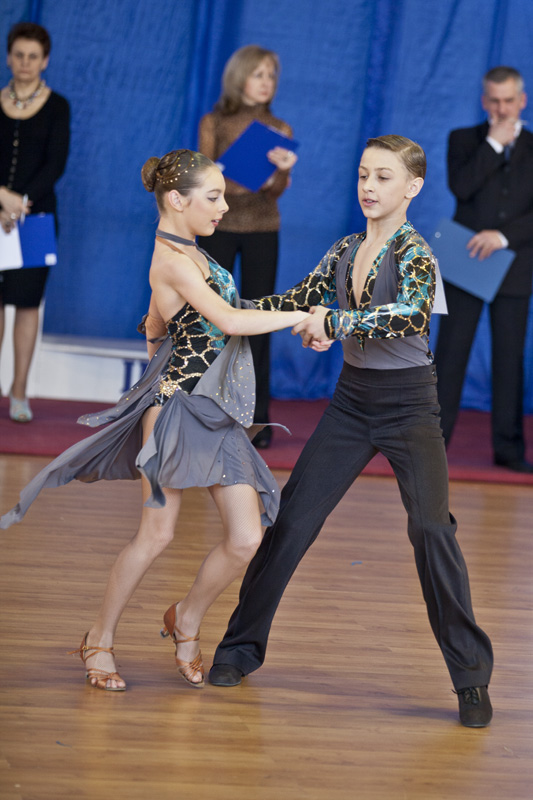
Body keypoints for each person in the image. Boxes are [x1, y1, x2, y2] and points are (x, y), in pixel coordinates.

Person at [208, 135, 494, 728]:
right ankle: (238, 649)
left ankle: (471, 678)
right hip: (351, 403)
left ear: (412, 187)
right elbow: (296, 299)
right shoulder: (344, 250)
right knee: (292, 522)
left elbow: (409, 315)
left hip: (410, 406)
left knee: (431, 530)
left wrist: (332, 323)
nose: (368, 186)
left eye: (383, 177)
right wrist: (220, 312)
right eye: (364, 174)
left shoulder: (417, 253)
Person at [0, 148, 310, 692]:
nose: (224, 206)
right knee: (156, 535)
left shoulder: (190, 252)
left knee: (246, 538)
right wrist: (305, 316)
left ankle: (186, 618)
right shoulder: (171, 259)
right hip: (178, 416)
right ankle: (98, 638)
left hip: (215, 413)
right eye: (213, 197)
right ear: (176, 200)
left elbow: (154, 325)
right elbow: (229, 318)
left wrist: (159, 344)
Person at [198, 45, 298, 449]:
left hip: (263, 229)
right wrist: (239, 181)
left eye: (271, 75)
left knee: (260, 321)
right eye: (258, 74)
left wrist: (281, 174)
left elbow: (275, 192)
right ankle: (204, 410)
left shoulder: (280, 128)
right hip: (218, 228)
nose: (266, 82)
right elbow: (204, 181)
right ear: (239, 77)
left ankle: (257, 419)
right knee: (211, 319)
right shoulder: (214, 122)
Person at [435, 66, 533, 473]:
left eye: (509, 100)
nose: (502, 108)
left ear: (522, 101)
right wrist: (493, 144)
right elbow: (461, 188)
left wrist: (503, 236)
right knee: (450, 354)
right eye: (494, 100)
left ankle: (509, 450)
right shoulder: (463, 140)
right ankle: (431, 447)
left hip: (515, 265)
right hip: (466, 262)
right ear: (483, 101)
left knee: (509, 359)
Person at [0, 22, 70, 422]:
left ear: (44, 61)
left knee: (27, 305)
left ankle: (20, 391)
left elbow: (55, 164)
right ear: (9, 58)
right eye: (19, 55)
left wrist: (20, 203)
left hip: (36, 220)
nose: (25, 62)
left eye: (33, 56)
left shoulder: (57, 106)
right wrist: (2, 198)